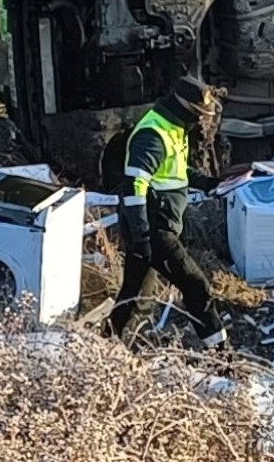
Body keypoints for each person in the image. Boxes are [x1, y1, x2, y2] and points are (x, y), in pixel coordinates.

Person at [107, 77, 227, 348]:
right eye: (199, 114)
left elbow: (175, 171)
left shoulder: (174, 126)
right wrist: (142, 237)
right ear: (185, 106)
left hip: (154, 226)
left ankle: (110, 348)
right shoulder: (153, 133)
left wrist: (208, 183)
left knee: (136, 293)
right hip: (154, 228)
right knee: (197, 287)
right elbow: (135, 184)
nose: (201, 120)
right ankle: (222, 356)